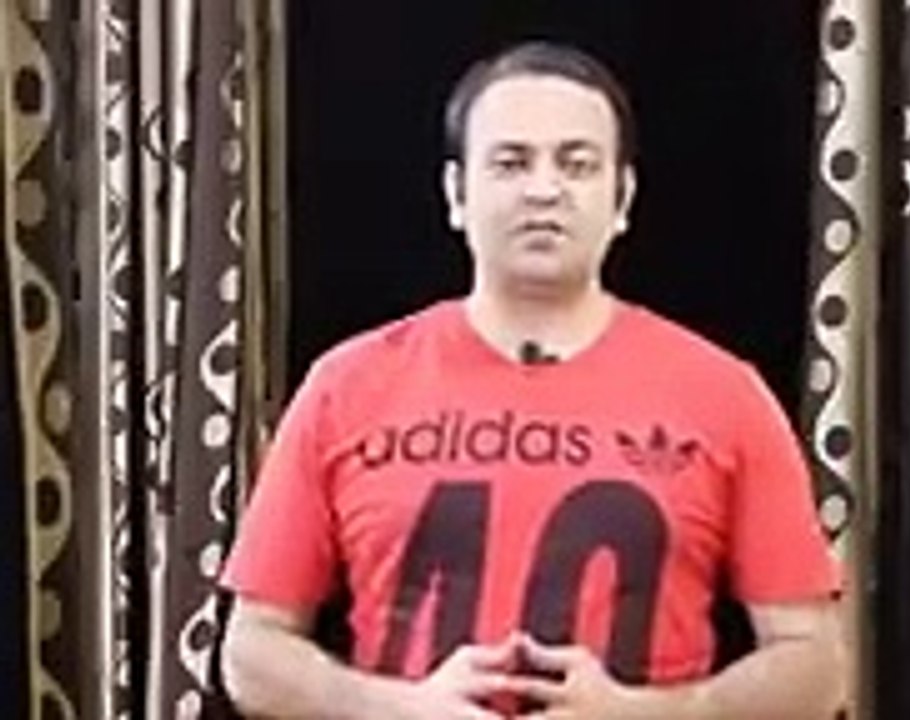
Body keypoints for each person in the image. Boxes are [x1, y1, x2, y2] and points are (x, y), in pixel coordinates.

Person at [220, 40, 846, 719]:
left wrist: (645, 716)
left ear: (623, 197)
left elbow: (815, 666)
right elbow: (252, 651)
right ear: (456, 194)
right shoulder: (346, 386)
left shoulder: (724, 395)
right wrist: (397, 710)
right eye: (511, 162)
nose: (544, 189)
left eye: (577, 164)